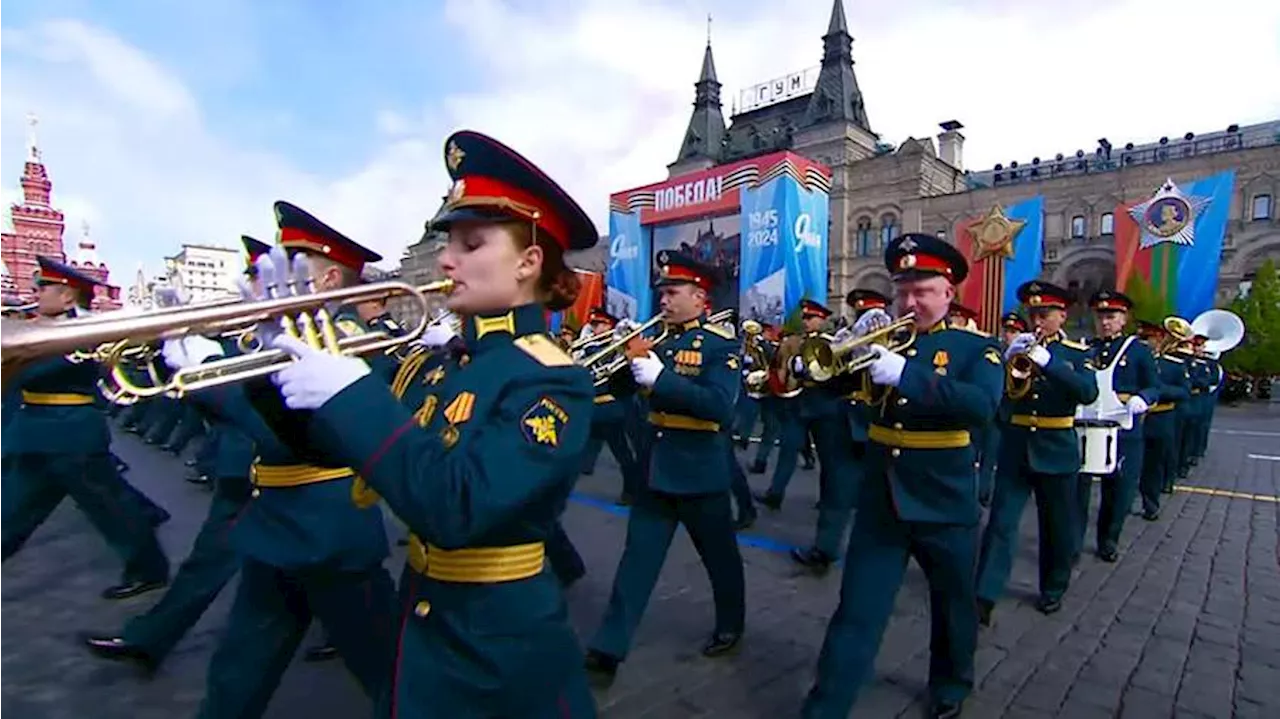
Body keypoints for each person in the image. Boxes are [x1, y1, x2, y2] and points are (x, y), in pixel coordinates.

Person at [263, 130, 600, 717]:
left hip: (497, 650)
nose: (446, 260)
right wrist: (271, 362)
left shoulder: (551, 379)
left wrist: (353, 393)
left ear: (528, 261)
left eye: (471, 244)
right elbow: (322, 448)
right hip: (423, 615)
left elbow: (456, 508)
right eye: (449, 243)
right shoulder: (439, 363)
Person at [192, 204, 400, 718]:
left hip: (330, 525)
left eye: (292, 259)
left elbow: (293, 433)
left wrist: (210, 375)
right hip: (275, 524)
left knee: (395, 677)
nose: (273, 268)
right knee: (235, 674)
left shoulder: (351, 342)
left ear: (329, 277)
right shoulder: (283, 334)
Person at [801, 233, 1003, 719]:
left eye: (923, 291)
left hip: (945, 496)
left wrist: (907, 375)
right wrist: (822, 365)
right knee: (856, 611)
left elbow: (981, 407)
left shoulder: (977, 348)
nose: (910, 302)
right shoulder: (884, 341)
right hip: (882, 499)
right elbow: (824, 390)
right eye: (902, 291)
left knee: (953, 605)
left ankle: (952, 683)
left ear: (949, 292)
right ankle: (824, 708)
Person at [82, 235, 279, 671]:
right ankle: (150, 638)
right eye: (250, 276)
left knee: (346, 603)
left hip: (293, 477)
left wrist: (207, 370)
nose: (250, 285)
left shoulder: (309, 332)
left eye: (259, 276)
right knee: (211, 568)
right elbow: (204, 405)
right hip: (246, 470)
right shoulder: (247, 333)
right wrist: (182, 361)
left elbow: (263, 411)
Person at [584, 249, 745, 686]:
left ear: (700, 296)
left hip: (701, 470)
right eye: (662, 292)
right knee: (636, 561)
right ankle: (609, 645)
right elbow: (618, 388)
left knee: (720, 560)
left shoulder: (721, 344)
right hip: (656, 469)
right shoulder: (658, 340)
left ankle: (731, 623)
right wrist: (622, 363)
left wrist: (662, 379)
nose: (664, 301)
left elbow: (720, 407)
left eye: (673, 292)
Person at [0, 256, 170, 600]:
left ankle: (149, 569)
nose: (37, 293)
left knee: (111, 509)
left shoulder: (85, 333)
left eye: (45, 287)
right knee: (10, 511)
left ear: (67, 296)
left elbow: (34, 374)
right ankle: (148, 544)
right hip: (34, 432)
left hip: (72, 434)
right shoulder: (36, 329)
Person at [974, 281, 1097, 625]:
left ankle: (1053, 587)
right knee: (1000, 523)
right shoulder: (1015, 349)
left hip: (1057, 447)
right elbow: (1000, 397)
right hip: (1016, 447)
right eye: (1033, 313)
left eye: (1045, 313)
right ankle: (985, 593)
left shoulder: (1076, 353)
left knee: (1056, 526)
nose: (1038, 320)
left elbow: (1086, 392)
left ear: (1062, 315)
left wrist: (1050, 363)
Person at [1078, 290, 1160, 563]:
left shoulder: (1137, 351)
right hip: (1087, 427)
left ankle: (1108, 539)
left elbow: (1154, 386)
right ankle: (1072, 541)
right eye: (1100, 316)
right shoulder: (1086, 348)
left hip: (1124, 429)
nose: (1105, 322)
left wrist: (1143, 398)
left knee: (1119, 491)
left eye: (1111, 316)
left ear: (1124, 318)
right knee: (1077, 489)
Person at [1135, 319, 1189, 519]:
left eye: (1150, 338)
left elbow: (1184, 391)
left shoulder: (1174, 365)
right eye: (1144, 338)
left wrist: (1157, 390)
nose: (1147, 342)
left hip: (1160, 418)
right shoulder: (1137, 360)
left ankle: (1151, 504)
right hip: (1135, 418)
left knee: (1154, 465)